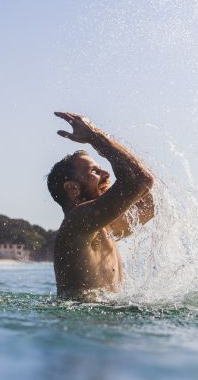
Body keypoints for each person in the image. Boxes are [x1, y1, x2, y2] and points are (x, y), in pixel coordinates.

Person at [47, 112, 154, 300]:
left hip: (101, 322)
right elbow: (141, 180)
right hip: (85, 326)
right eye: (95, 171)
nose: (106, 173)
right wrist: (94, 137)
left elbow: (151, 201)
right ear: (73, 188)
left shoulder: (104, 228)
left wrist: (98, 141)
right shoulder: (77, 223)